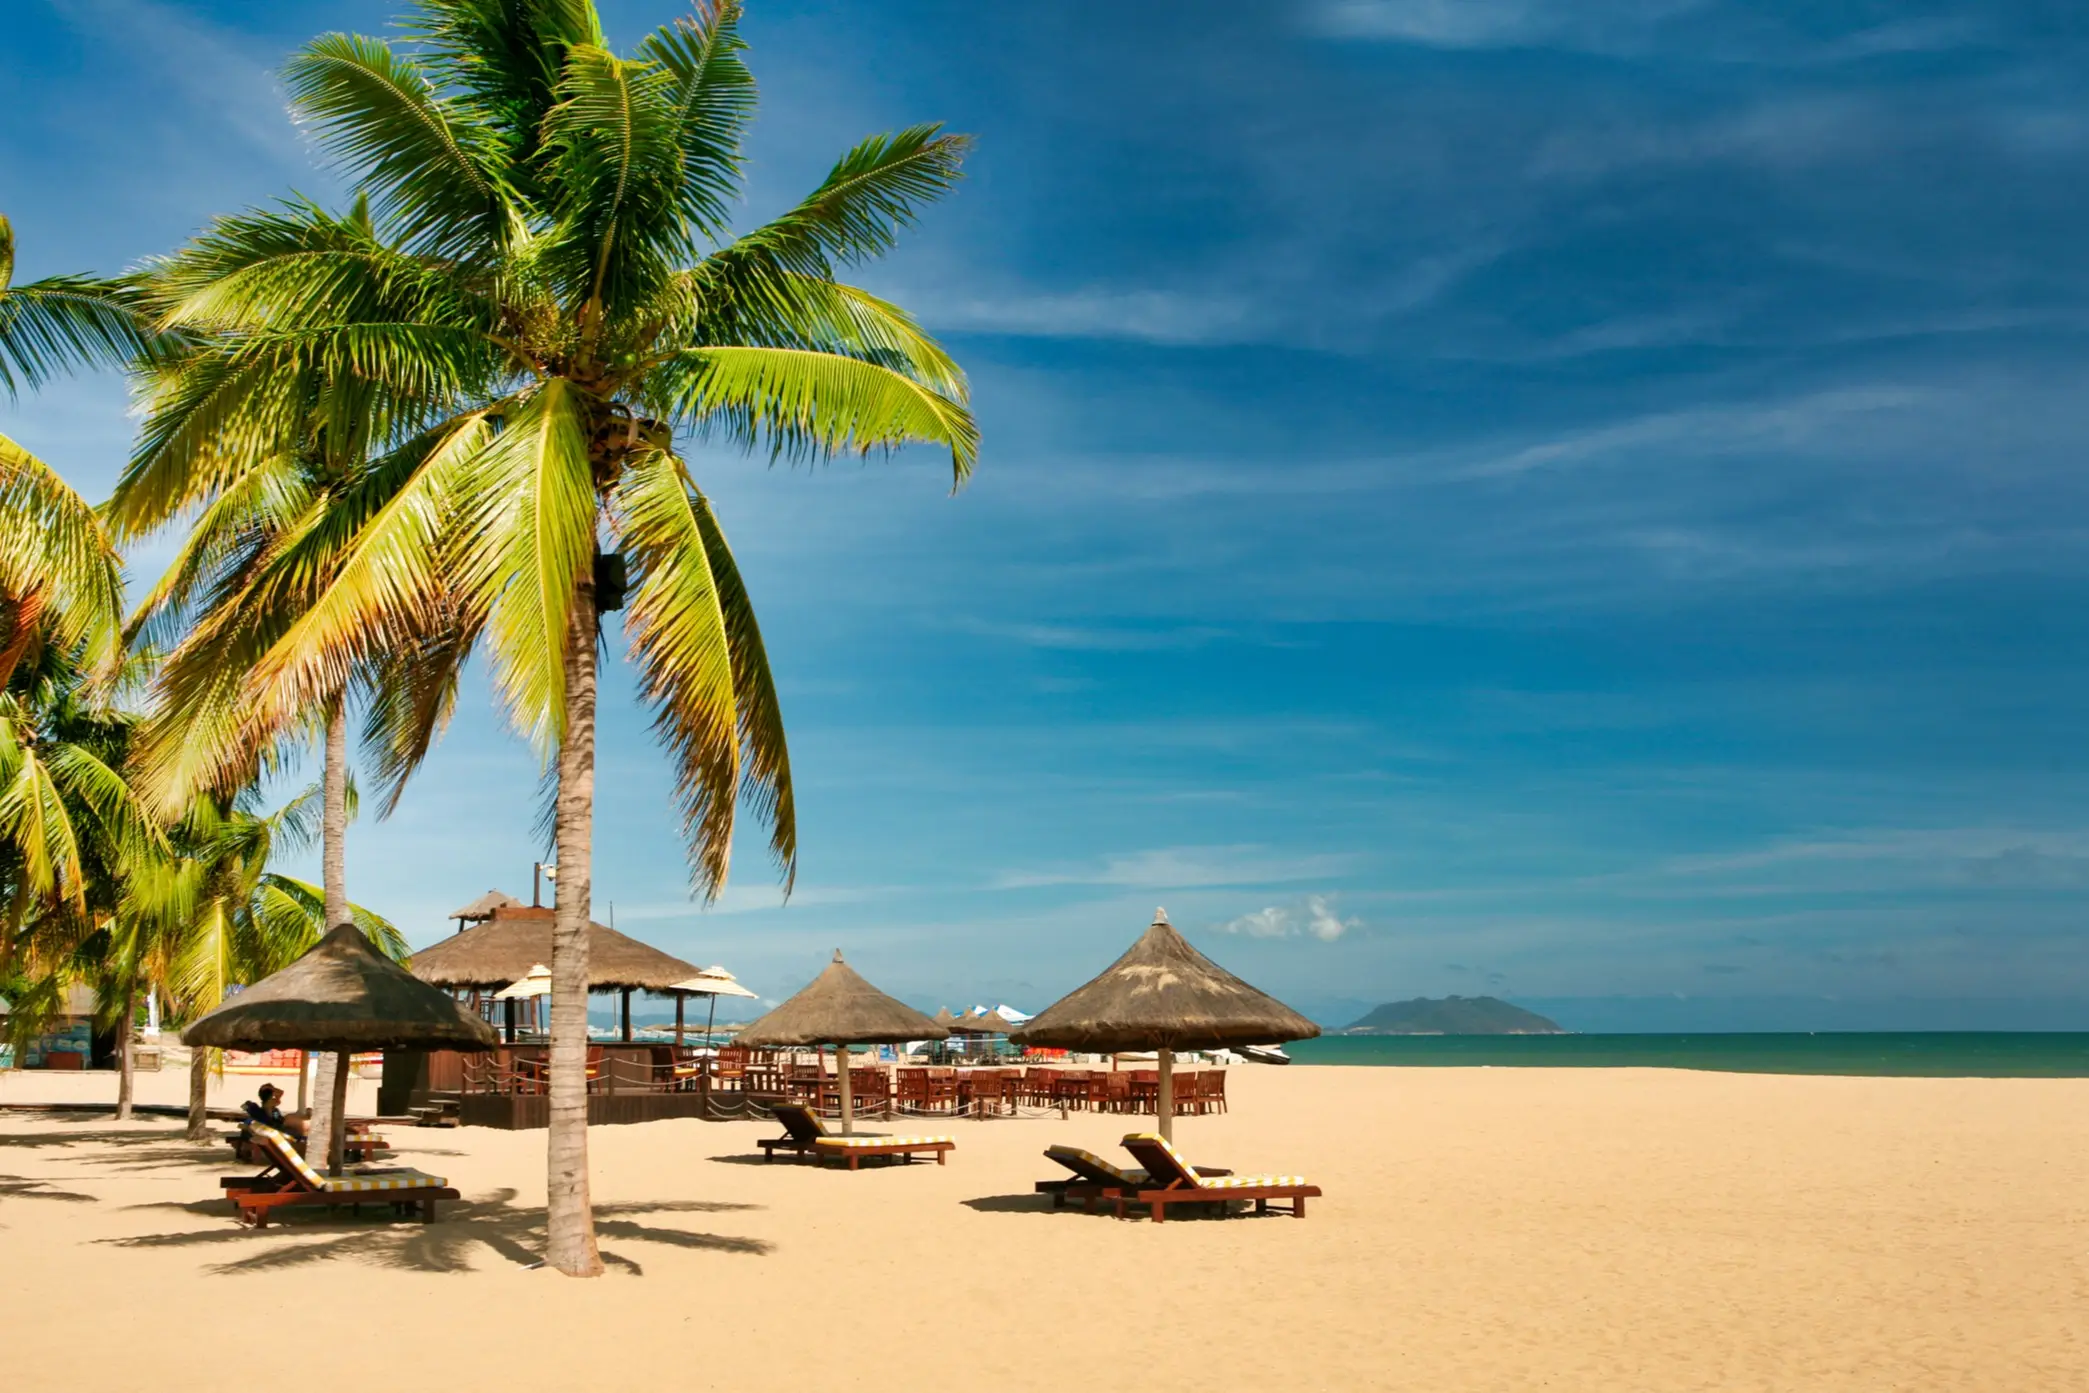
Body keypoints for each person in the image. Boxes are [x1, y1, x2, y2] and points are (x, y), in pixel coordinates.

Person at [242, 1083, 307, 1138]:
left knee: (293, 1119)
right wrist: (271, 1088)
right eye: (274, 1091)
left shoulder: (267, 1103)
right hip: (278, 1128)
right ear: (271, 1094)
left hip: (278, 1125)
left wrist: (269, 1088)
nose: (276, 1094)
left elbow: (280, 1093)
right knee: (294, 1122)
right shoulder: (270, 1103)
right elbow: (281, 1092)